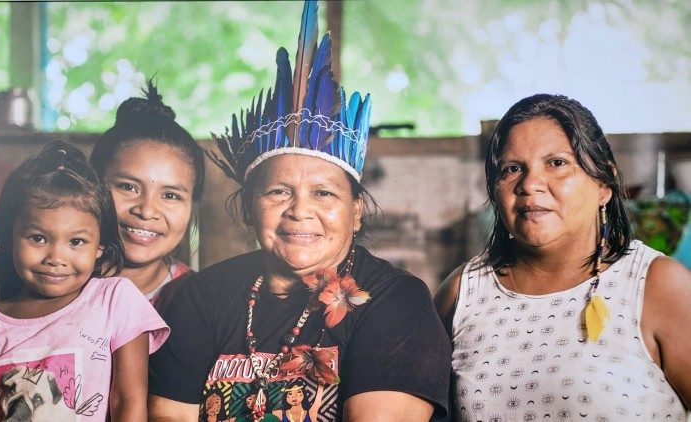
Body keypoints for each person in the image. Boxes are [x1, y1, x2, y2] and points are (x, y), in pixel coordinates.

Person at [147, 1, 451, 421]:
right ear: (251, 207)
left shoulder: (394, 301)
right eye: (278, 192)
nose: (299, 211)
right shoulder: (206, 297)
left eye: (324, 194)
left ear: (356, 211)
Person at [435, 94, 691, 420]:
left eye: (556, 163)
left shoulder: (658, 286)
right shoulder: (463, 293)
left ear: (604, 184)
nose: (530, 184)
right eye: (512, 169)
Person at [0, 141, 169, 420]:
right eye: (38, 238)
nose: (56, 257)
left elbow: (128, 403)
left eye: (76, 241)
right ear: (9, 238)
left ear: (99, 246)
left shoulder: (116, 301)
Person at [90, 79, 205, 312]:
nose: (146, 210)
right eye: (128, 187)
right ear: (91, 186)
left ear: (191, 205)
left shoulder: (201, 301)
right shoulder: (51, 282)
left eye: (171, 195)